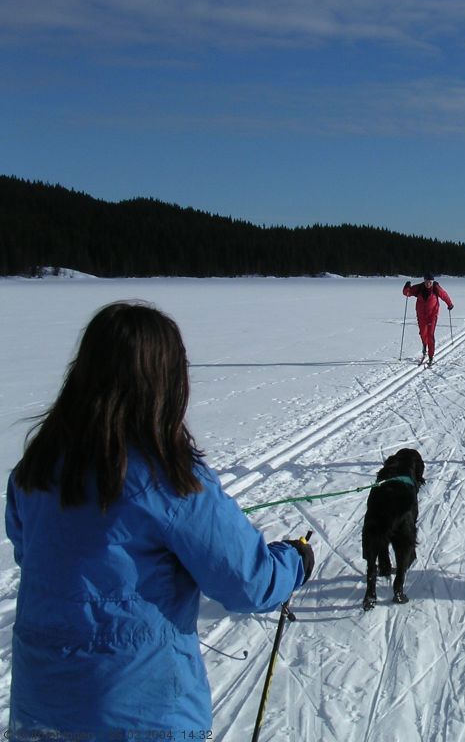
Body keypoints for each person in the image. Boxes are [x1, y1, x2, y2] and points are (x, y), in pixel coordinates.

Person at [5, 302, 314, 738]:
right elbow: (249, 583)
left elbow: (33, 554)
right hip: (141, 717)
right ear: (164, 382)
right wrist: (294, 560)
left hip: (38, 711)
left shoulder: (36, 469)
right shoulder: (171, 480)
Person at [403, 274, 454, 365]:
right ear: (424, 281)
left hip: (432, 315)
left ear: (432, 282)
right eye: (427, 281)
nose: (428, 284)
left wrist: (449, 304)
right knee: (423, 333)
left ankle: (431, 355)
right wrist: (406, 287)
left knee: (430, 335)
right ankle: (424, 344)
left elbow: (444, 295)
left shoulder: (436, 288)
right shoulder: (419, 288)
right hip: (421, 315)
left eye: (430, 282)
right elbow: (407, 293)